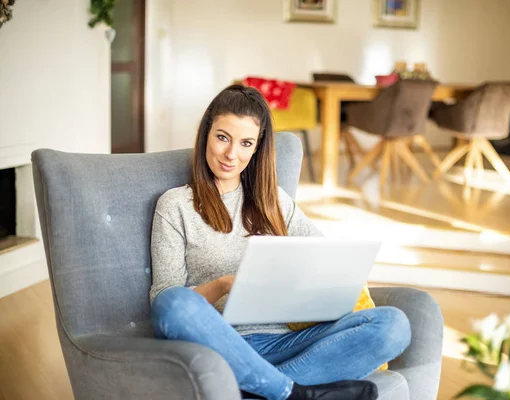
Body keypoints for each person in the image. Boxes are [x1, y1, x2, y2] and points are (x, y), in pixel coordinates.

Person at [149, 84, 411, 400]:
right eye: (222, 137)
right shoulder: (175, 204)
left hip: (288, 344)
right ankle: (293, 393)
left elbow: (324, 258)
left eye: (246, 143)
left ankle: (262, 389)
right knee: (173, 303)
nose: (232, 154)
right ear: (206, 133)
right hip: (222, 346)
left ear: (258, 148)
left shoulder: (273, 201)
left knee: (394, 324)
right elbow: (163, 302)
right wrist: (224, 284)